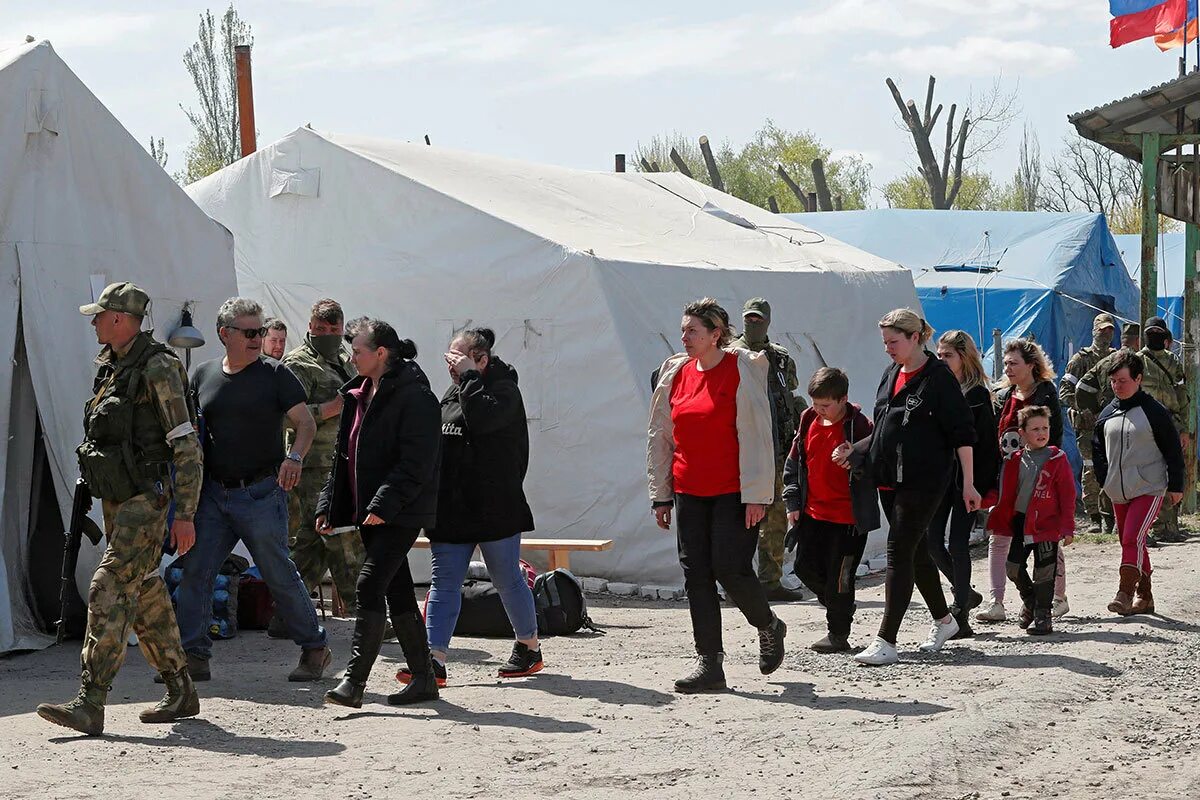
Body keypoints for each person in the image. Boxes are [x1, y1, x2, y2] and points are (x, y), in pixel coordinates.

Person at [37, 283, 203, 735]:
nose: (93, 323)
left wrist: (184, 514)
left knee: (108, 586)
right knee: (145, 589)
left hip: (146, 500)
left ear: (119, 318)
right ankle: (181, 689)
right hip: (119, 498)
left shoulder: (159, 367)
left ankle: (91, 702)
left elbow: (186, 443)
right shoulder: (113, 367)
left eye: (99, 315)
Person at [175, 297, 331, 682]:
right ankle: (192, 656)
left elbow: (305, 423)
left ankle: (315, 648)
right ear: (224, 333)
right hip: (213, 494)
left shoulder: (276, 375)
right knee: (196, 571)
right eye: (249, 332)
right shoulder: (205, 375)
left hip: (261, 493)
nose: (257, 339)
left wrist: (293, 458)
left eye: (260, 331)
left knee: (278, 573)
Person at [647, 298, 786, 693]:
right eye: (684, 330)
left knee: (731, 568)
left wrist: (758, 495)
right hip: (689, 489)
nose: (684, 337)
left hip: (733, 491)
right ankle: (710, 662)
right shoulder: (676, 373)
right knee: (697, 575)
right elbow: (661, 436)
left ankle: (769, 625)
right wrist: (661, 495)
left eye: (693, 331)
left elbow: (759, 437)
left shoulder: (741, 369)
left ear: (716, 335)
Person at [397, 327, 540, 687]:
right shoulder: (454, 389)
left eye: (457, 358)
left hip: (496, 505)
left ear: (481, 359)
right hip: (452, 507)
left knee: (506, 577)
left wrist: (470, 377)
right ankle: (434, 660)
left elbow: (484, 420)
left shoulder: (504, 389)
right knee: (444, 580)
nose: (450, 365)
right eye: (449, 358)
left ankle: (529, 647)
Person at [838, 309, 978, 667]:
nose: (887, 349)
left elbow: (963, 435)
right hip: (888, 478)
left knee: (898, 549)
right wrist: (854, 450)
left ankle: (887, 640)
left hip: (926, 480)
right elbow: (884, 429)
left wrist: (970, 484)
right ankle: (945, 620)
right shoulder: (891, 374)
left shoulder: (939, 379)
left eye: (893, 341)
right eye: (884, 342)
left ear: (916, 338)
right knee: (915, 553)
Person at [322, 318, 442, 708]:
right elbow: (343, 457)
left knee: (368, 585)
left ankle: (354, 683)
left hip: (399, 512)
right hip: (368, 512)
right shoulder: (358, 392)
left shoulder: (416, 396)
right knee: (397, 589)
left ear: (381, 353)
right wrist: (328, 505)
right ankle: (424, 678)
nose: (350, 356)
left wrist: (383, 504)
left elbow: (416, 462)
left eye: (357, 350)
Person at [782, 367, 879, 653]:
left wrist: (856, 459)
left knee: (841, 577)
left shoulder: (860, 426)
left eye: (826, 405)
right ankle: (842, 605)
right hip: (813, 513)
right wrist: (793, 503)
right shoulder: (808, 418)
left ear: (843, 399)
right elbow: (795, 464)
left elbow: (877, 463)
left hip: (848, 518)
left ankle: (838, 633)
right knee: (803, 567)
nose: (820, 410)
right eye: (815, 403)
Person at [280, 299, 364, 624]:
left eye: (334, 330)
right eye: (321, 329)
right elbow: (284, 418)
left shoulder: (346, 360)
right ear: (310, 327)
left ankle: (286, 614)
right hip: (313, 466)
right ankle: (364, 612)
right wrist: (328, 409)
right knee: (342, 534)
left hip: (343, 462)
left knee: (312, 543)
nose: (327, 334)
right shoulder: (297, 364)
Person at [978, 338, 1070, 623]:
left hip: (1038, 478)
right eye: (1005, 363)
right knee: (999, 536)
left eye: (1013, 363)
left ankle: (1056, 597)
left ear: (1031, 365)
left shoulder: (1045, 395)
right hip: (1007, 478)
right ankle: (997, 601)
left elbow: (1052, 438)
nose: (1008, 368)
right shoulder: (1004, 396)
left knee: (1047, 542)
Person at [1093, 351, 1185, 616]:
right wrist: (1104, 478)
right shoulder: (1107, 413)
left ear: (1138, 379)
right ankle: (1145, 596)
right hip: (1118, 490)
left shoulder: (1154, 411)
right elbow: (1098, 448)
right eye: (1113, 381)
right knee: (1132, 540)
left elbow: (1172, 450)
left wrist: (1176, 486)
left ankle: (1124, 593)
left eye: (1122, 380)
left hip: (1149, 487)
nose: (1117, 386)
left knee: (1132, 537)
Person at [730, 298, 806, 601]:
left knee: (775, 518)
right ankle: (738, 584)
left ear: (768, 321)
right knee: (741, 520)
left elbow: (791, 395)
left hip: (778, 448)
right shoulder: (731, 355)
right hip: (744, 452)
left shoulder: (781, 359)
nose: (753, 323)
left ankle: (770, 581)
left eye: (759, 318)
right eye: (749, 318)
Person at [926, 330, 999, 639]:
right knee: (931, 542)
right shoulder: (936, 388)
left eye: (948, 356)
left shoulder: (977, 395)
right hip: (941, 478)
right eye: (939, 355)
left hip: (969, 481)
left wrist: (981, 486)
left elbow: (985, 447)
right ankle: (964, 593)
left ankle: (961, 614)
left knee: (958, 543)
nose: (942, 360)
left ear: (963, 357)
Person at [985, 406, 1076, 635]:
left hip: (1047, 524)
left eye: (1045, 428)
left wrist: (1067, 527)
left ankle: (1043, 616)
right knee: (1013, 567)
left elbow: (1067, 495)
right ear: (1022, 433)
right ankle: (1031, 600)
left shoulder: (1057, 458)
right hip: (1020, 523)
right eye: (1035, 429)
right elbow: (1005, 492)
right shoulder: (1014, 460)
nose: (1041, 433)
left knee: (1045, 571)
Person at [1133, 316, 1189, 543]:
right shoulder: (1136, 361)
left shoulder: (1172, 362)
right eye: (1151, 332)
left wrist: (1184, 428)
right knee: (1146, 475)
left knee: (1171, 474)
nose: (1154, 335)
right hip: (1144, 425)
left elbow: (1182, 395)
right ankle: (1144, 529)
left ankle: (1168, 527)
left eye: (1159, 332)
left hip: (1172, 425)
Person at [1059, 313, 1116, 534]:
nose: (1106, 334)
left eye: (1110, 330)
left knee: (1111, 468)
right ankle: (1094, 516)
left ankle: (1110, 514)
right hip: (1088, 425)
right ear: (1094, 331)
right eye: (1102, 330)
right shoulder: (1081, 360)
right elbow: (1065, 391)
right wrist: (1082, 408)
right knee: (1091, 468)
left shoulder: (1116, 357)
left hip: (1111, 423)